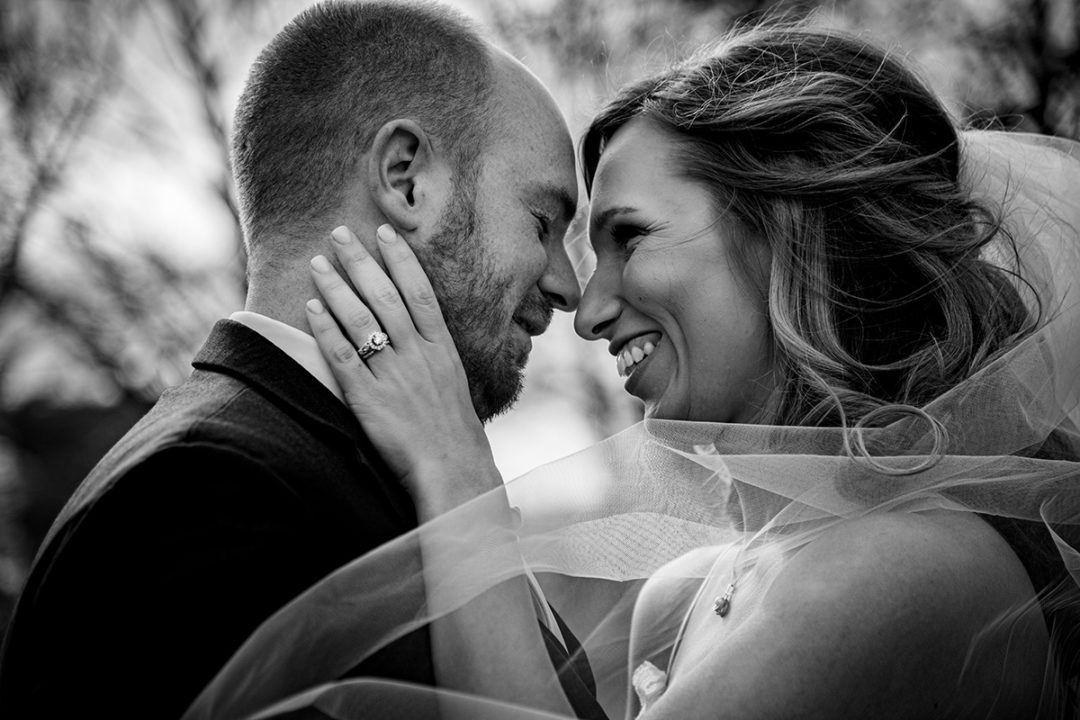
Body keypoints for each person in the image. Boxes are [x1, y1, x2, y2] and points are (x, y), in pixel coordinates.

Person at [186, 21, 1080, 720]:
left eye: (630, 238)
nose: (587, 302)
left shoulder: (910, 568)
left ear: (791, 240)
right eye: (566, 237)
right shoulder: (686, 595)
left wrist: (457, 475)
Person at [0, 2, 609, 718]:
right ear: (406, 176)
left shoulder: (398, 462)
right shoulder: (202, 495)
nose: (568, 288)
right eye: (542, 222)